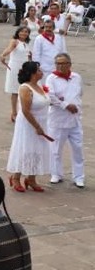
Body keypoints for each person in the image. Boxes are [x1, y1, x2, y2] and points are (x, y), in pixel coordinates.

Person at [6, 61, 51, 193]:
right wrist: (37, 126)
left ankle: (31, 178)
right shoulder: (25, 88)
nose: (41, 72)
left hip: (42, 120)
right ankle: (16, 177)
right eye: (38, 70)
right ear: (32, 73)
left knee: (37, 149)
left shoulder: (40, 86)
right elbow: (26, 110)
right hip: (28, 123)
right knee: (24, 148)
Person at [45, 53, 84, 188]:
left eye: (64, 63)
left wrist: (75, 105)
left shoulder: (76, 77)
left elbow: (80, 93)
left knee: (77, 148)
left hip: (75, 119)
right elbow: (50, 95)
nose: (61, 66)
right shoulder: (52, 78)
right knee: (55, 148)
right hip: (58, 119)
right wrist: (65, 105)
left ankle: (79, 176)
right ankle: (56, 173)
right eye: (58, 64)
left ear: (69, 64)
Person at [0, 27, 31, 123]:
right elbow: (9, 49)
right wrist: (3, 55)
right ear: (18, 32)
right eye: (22, 31)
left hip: (24, 68)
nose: (24, 33)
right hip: (15, 67)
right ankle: (14, 113)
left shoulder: (26, 44)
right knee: (15, 91)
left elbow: (28, 56)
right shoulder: (15, 41)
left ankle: (23, 111)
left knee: (25, 90)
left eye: (26, 32)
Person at [31, 17, 60, 81]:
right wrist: (37, 67)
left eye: (50, 27)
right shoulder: (39, 38)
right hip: (44, 68)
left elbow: (62, 51)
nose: (48, 29)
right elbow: (36, 54)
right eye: (46, 27)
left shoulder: (58, 38)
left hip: (56, 67)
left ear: (53, 28)